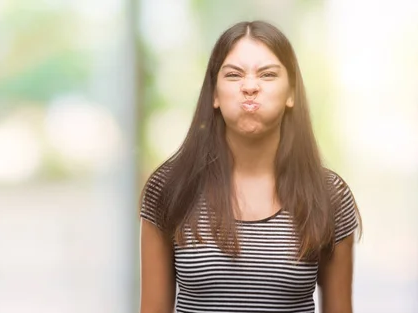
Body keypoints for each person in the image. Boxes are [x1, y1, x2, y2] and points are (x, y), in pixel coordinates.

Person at [139, 20, 362, 313]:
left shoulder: (329, 195)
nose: (250, 87)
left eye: (267, 74)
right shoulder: (169, 188)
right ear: (215, 94)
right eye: (233, 75)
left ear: (291, 93)